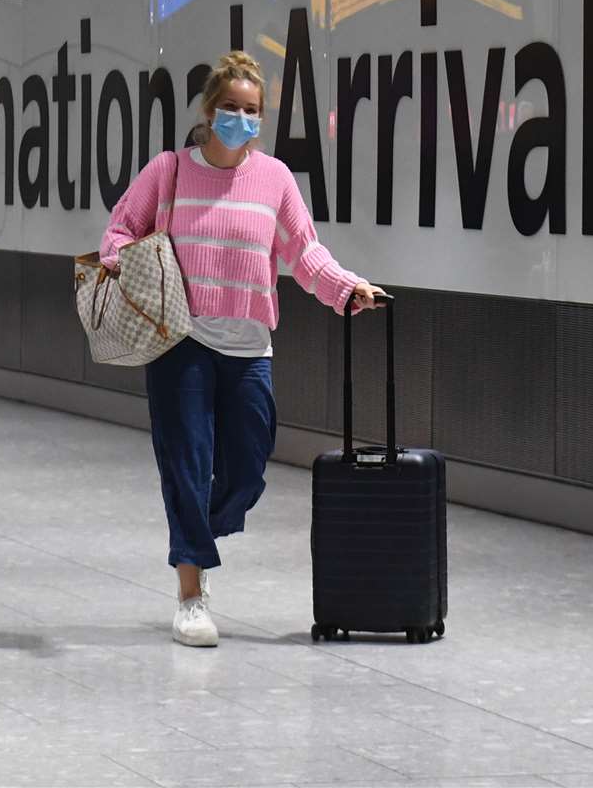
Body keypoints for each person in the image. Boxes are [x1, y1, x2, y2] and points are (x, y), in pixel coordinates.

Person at [100, 50, 385, 648]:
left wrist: (346, 288)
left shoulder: (275, 178)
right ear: (208, 110)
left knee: (249, 468)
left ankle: (198, 528)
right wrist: (122, 266)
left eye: (251, 110)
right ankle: (191, 592)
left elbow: (304, 252)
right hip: (181, 341)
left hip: (250, 345)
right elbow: (120, 231)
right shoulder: (170, 170)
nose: (240, 118)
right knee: (187, 462)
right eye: (230, 107)